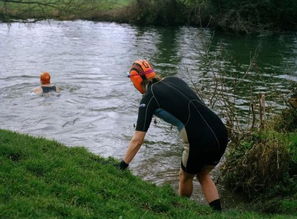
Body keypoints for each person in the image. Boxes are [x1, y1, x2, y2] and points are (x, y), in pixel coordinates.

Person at [119, 59, 228, 211]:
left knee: (185, 176)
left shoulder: (149, 97)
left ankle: (181, 210)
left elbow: (138, 139)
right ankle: (218, 214)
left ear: (136, 80)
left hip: (198, 139)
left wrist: (122, 166)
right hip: (221, 131)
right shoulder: (174, 80)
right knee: (202, 174)